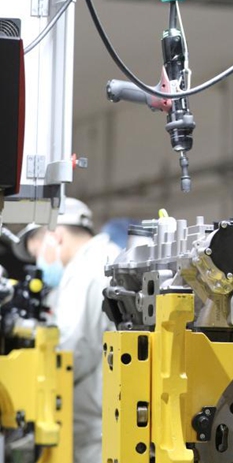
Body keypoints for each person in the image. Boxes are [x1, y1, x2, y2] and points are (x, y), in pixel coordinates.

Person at [13, 198, 121, 463]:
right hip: (107, 423)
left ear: (55, 237)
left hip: (98, 433)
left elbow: (67, 353)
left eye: (37, 253)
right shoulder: (110, 258)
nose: (39, 264)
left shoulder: (85, 273)